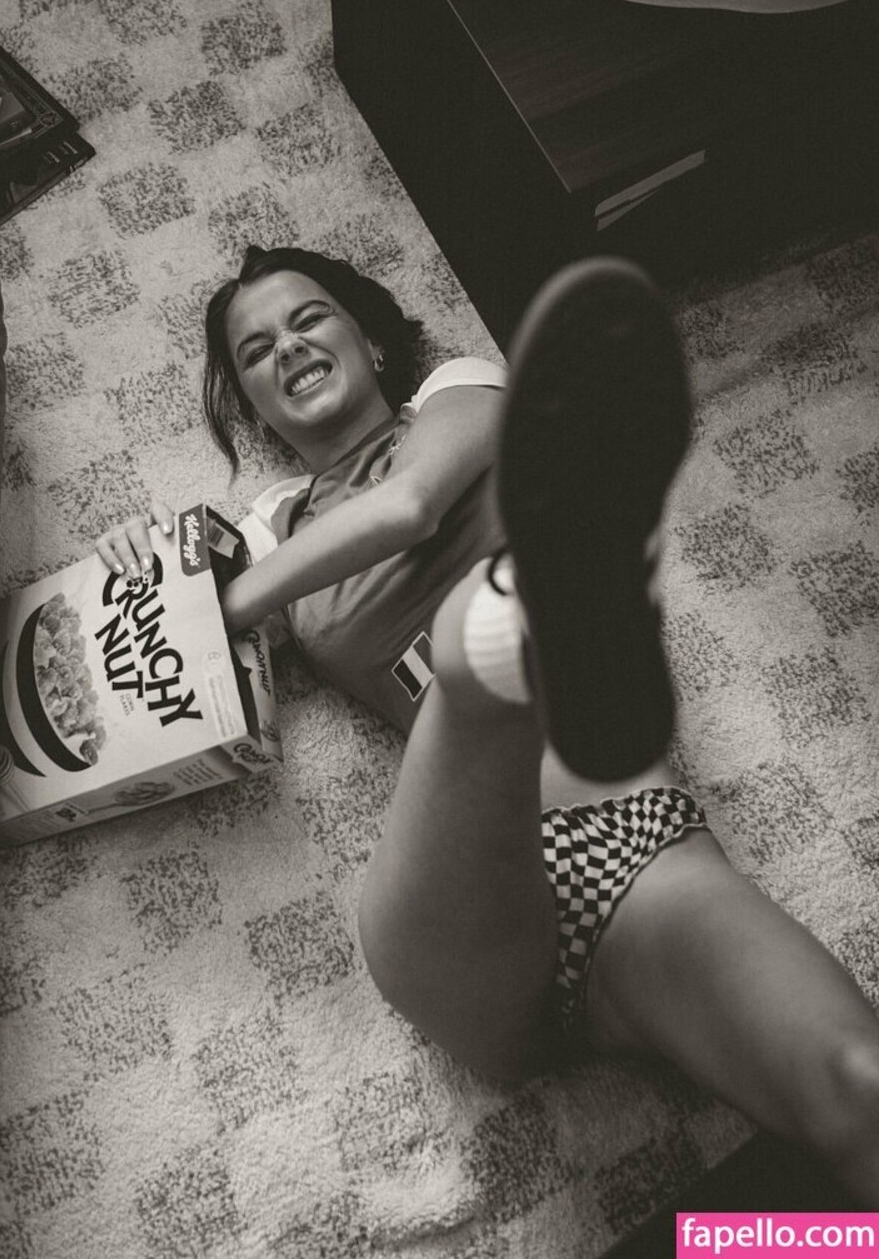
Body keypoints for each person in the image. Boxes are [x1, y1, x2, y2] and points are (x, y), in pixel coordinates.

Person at [96, 245, 879, 1203]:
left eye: (308, 319)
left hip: (625, 852)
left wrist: (223, 602)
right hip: (460, 904)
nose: (287, 348)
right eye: (255, 352)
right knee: (491, 627)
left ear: (371, 343)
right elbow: (156, 693)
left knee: (858, 1090)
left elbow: (411, 506)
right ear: (254, 408)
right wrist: (137, 574)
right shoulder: (268, 530)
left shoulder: (461, 389)